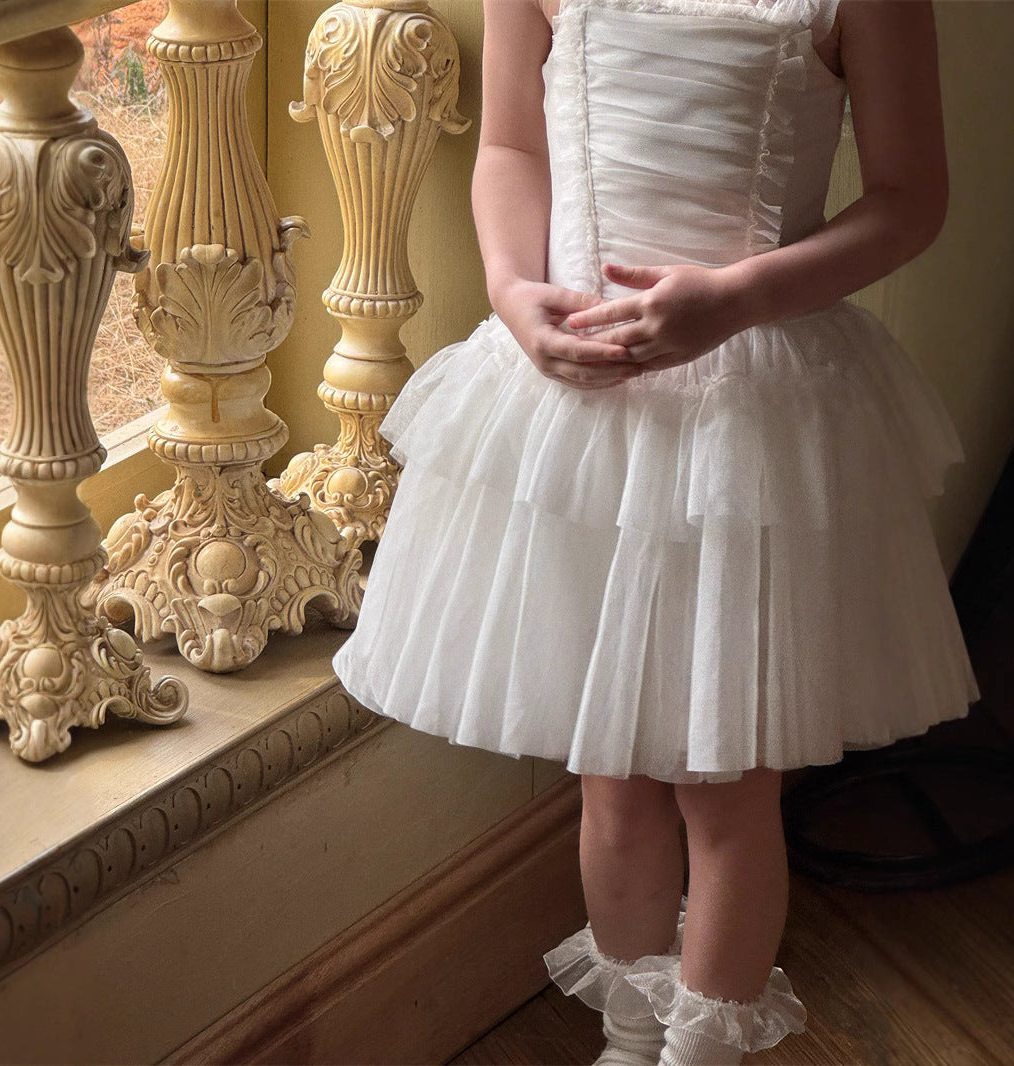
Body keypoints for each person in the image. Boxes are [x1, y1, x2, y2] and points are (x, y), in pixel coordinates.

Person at [333, 0, 979, 1062]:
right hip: (585, 419)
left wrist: (735, 299)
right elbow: (508, 145)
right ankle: (632, 1042)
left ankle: (698, 1054)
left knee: (724, 789)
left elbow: (909, 201)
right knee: (614, 777)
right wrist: (513, 291)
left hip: (745, 428)